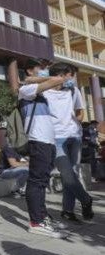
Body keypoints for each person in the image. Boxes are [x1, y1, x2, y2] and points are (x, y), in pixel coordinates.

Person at [18, 61, 74, 238]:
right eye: (40, 72)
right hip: (38, 140)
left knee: (42, 181)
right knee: (36, 181)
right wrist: (55, 77)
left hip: (48, 142)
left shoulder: (45, 95)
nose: (43, 74)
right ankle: (36, 222)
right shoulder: (25, 91)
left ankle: (43, 217)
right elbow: (41, 81)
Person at [40, 66, 94, 222]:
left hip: (74, 136)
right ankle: (86, 200)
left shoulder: (73, 91)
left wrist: (75, 121)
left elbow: (80, 111)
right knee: (68, 175)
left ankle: (67, 210)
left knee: (72, 174)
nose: (73, 79)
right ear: (61, 76)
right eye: (71, 76)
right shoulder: (44, 91)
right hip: (55, 138)